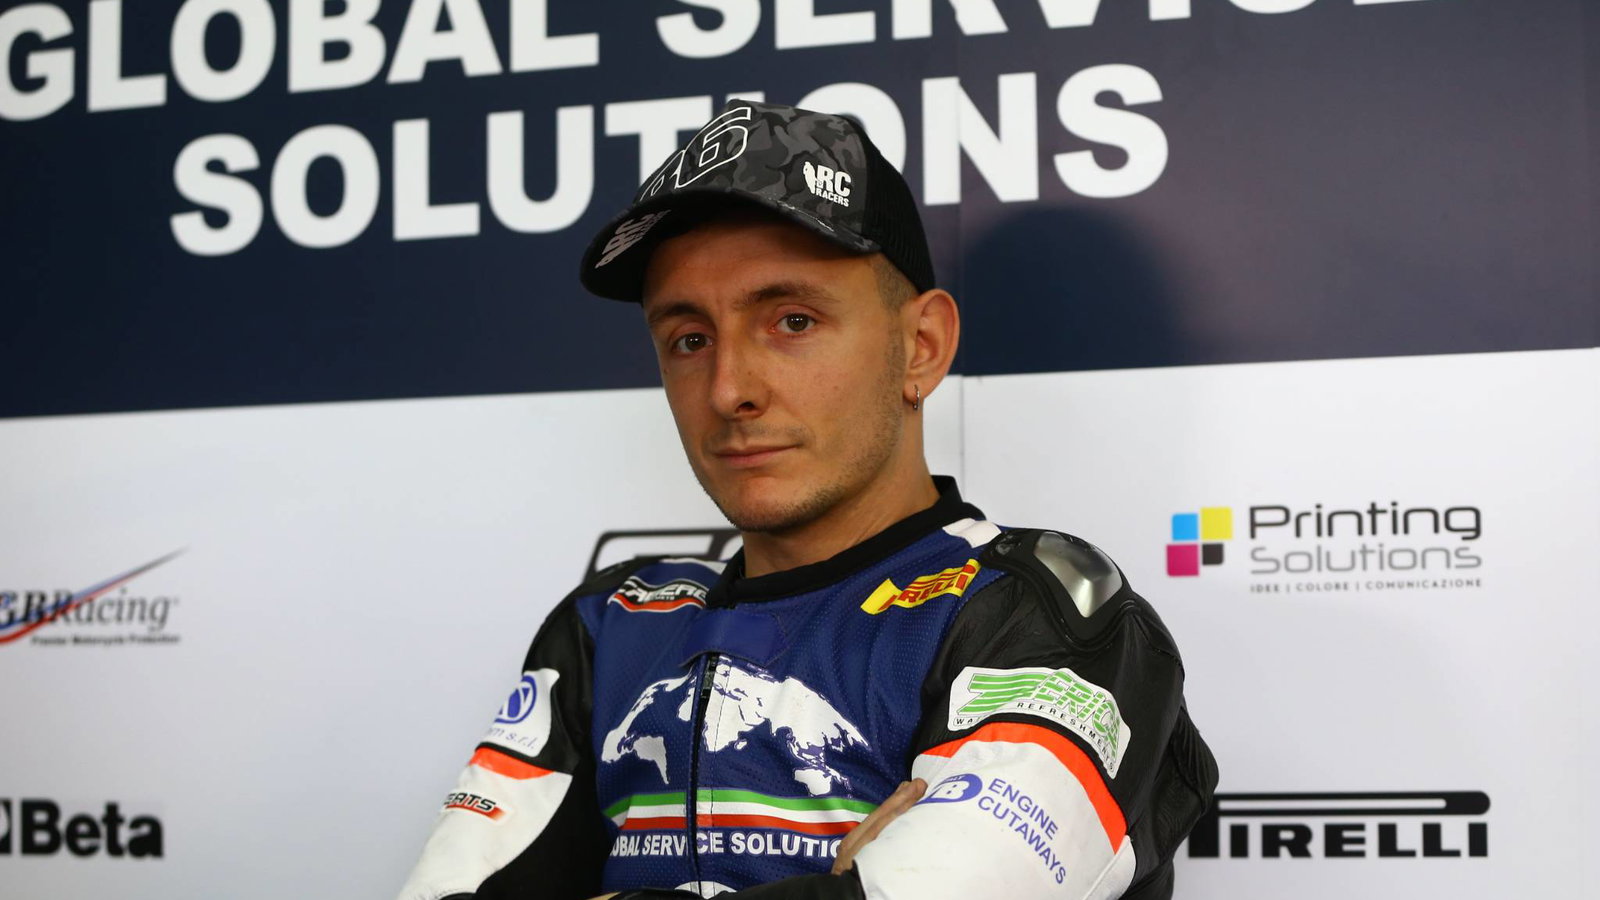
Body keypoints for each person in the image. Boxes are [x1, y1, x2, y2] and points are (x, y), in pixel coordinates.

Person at [395, 100, 1217, 900]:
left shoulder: (1045, 620)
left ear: (921, 346)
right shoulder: (609, 626)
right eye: (689, 339)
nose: (729, 389)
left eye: (792, 321)